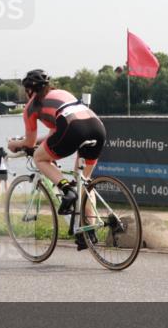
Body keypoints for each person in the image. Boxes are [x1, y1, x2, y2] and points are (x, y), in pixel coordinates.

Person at [6, 69, 107, 249]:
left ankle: (66, 189)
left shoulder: (31, 107)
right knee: (84, 182)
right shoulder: (62, 93)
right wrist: (36, 142)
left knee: (39, 158)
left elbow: (29, 143)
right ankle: (89, 230)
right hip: (97, 127)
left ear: (29, 90)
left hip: (73, 128)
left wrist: (15, 144)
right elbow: (54, 134)